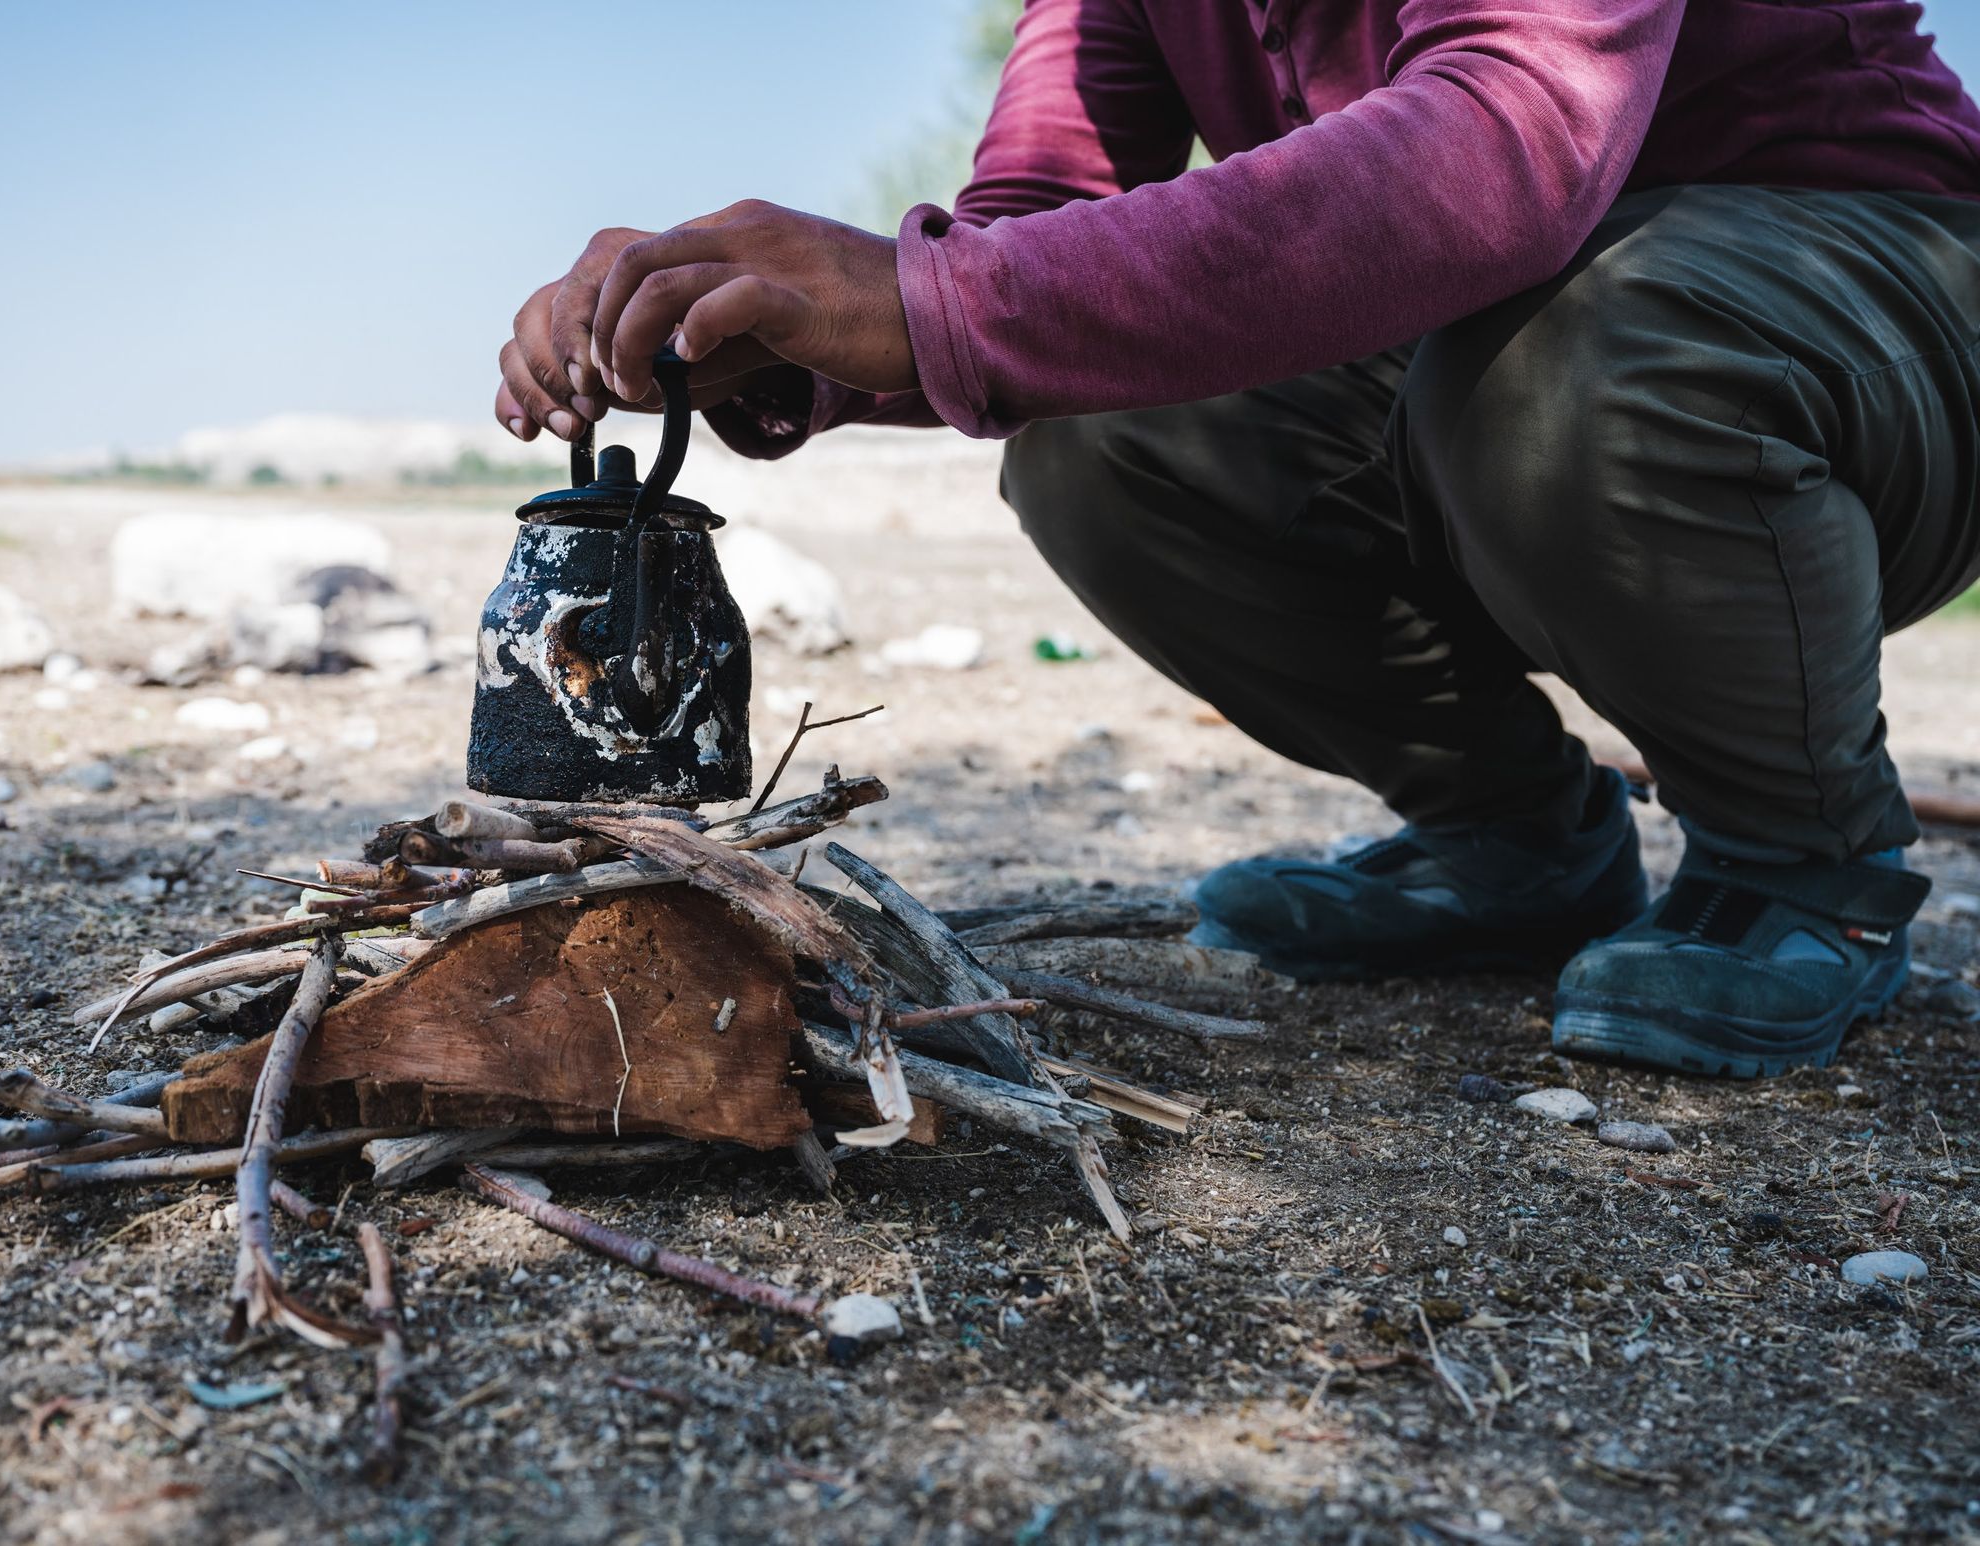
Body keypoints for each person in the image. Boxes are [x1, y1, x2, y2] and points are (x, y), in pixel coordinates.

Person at [493, 1, 1980, 1080]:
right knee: (1094, 438)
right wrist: (771, 338)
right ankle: (1515, 839)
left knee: (1567, 357)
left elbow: (1509, 142)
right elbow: (1035, 237)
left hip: (1872, 310)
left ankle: (1804, 861)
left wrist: (928, 298)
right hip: (1504, 344)